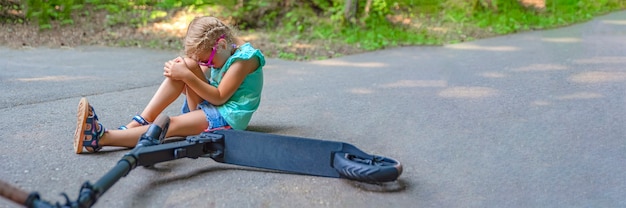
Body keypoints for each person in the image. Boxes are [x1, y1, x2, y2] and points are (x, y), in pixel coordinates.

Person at [73, 16, 265, 154]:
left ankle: (102, 138)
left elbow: (219, 96)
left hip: (227, 118)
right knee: (186, 65)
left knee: (168, 124)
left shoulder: (244, 60)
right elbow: (198, 78)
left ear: (222, 45)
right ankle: (138, 122)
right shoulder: (222, 53)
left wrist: (187, 77)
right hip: (212, 106)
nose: (206, 66)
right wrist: (182, 70)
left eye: (207, 61)